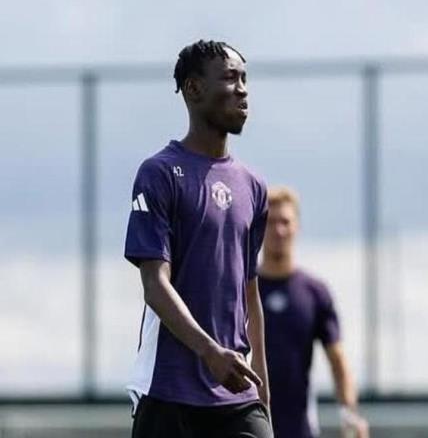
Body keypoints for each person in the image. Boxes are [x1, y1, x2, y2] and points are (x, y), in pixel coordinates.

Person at [124, 40, 273, 438]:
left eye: (245, 79)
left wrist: (263, 391)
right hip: (168, 391)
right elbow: (155, 285)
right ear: (193, 89)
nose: (242, 90)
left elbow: (249, 293)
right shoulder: (159, 173)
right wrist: (210, 352)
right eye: (230, 78)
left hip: (236, 395)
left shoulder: (253, 186)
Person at [258, 186, 369, 438]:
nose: (278, 230)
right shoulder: (242, 290)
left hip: (300, 429)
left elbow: (338, 361)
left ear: (297, 226)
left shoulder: (314, 293)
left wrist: (350, 413)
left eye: (285, 222)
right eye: (271, 222)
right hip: (248, 427)